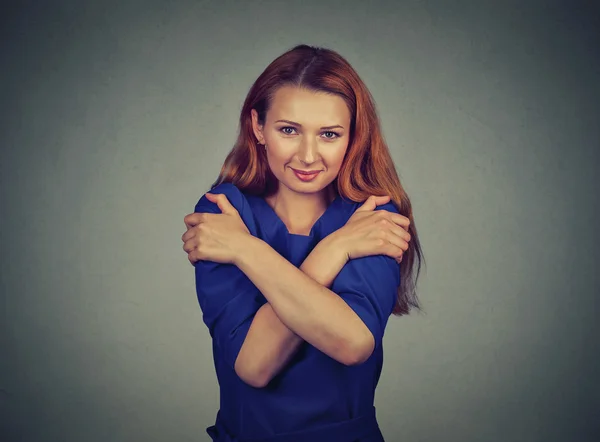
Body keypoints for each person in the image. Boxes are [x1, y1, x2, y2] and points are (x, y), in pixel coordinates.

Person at [181, 44, 424, 442]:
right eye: (289, 130)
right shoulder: (225, 211)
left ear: (353, 137)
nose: (308, 156)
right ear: (258, 127)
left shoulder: (372, 215)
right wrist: (336, 250)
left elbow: (352, 342)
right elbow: (254, 364)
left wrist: (246, 250)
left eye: (329, 134)